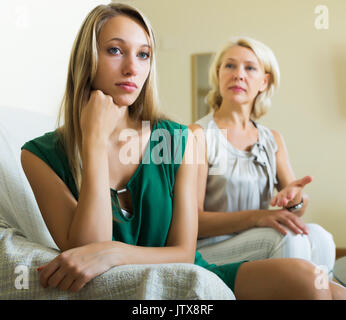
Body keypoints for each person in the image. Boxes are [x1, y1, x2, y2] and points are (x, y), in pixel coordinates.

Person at [20, 3, 344, 299]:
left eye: (144, 54)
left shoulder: (179, 138)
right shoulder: (38, 156)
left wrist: (113, 252)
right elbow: (88, 253)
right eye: (115, 50)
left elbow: (183, 253)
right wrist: (93, 142)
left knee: (312, 280)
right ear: (87, 58)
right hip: (164, 285)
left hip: (197, 273)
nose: (132, 67)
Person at [189, 37, 336, 279]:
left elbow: (295, 208)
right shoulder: (198, 135)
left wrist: (295, 199)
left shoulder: (272, 139)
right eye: (229, 66)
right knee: (286, 237)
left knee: (320, 237)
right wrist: (258, 217)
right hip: (208, 249)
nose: (238, 74)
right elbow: (194, 221)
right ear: (218, 75)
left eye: (249, 67)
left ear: (264, 81)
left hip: (257, 237)